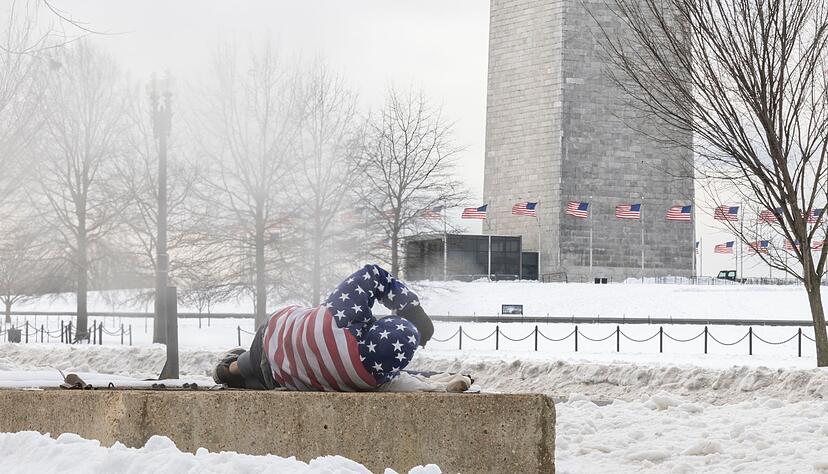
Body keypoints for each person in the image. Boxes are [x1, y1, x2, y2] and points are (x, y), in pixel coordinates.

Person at [213, 264, 436, 391]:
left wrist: (412, 309)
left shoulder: (343, 316)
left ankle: (228, 368)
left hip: (273, 333)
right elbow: (402, 377)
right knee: (257, 376)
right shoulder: (369, 380)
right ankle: (236, 372)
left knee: (248, 363)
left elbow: (373, 274)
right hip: (281, 376)